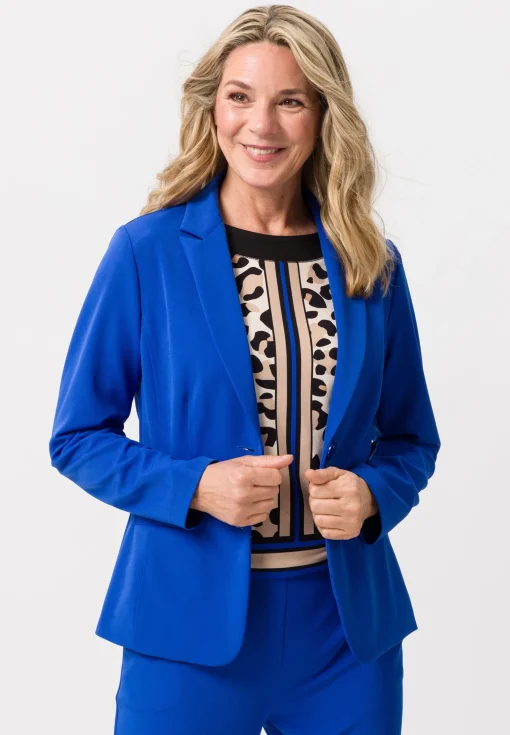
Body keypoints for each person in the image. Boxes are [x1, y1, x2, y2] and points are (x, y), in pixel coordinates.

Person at [48, 5, 441, 734]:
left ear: (322, 116)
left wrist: (372, 494)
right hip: (184, 631)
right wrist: (196, 485)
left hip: (346, 638)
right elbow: (77, 438)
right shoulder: (146, 253)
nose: (261, 124)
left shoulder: (371, 263)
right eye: (240, 96)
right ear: (213, 108)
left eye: (290, 101)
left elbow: (413, 439)